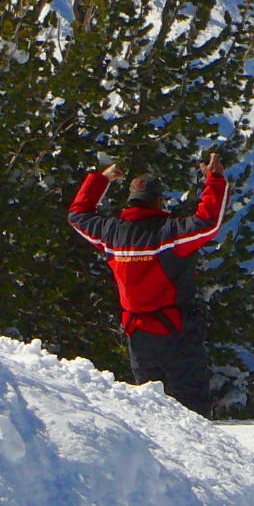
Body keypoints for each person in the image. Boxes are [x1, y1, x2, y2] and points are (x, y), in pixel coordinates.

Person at [68, 152, 227, 418]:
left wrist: (100, 179)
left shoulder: (112, 233)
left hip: (138, 333)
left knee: (151, 408)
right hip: (177, 330)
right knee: (191, 409)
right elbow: (208, 222)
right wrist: (215, 180)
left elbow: (77, 215)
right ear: (159, 201)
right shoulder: (169, 233)